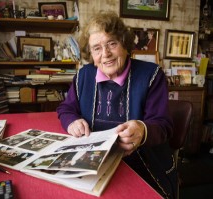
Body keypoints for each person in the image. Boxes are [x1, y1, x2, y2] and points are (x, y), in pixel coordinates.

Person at [56, 11, 177, 198]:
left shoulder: (151, 75)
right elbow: (66, 108)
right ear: (91, 54)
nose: (106, 54)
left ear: (124, 45)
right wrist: (72, 121)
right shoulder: (84, 75)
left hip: (142, 165)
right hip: (93, 164)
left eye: (112, 43)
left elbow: (163, 124)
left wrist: (143, 130)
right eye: (96, 48)